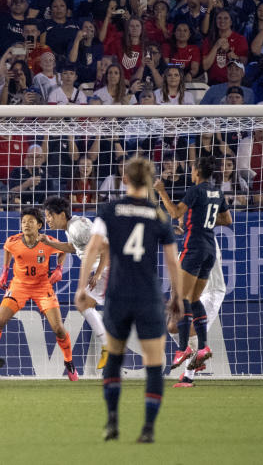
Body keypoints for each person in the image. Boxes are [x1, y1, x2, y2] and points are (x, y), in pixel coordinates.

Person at [79, 156, 180, 443]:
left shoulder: (109, 211)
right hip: (148, 296)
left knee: (114, 356)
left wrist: (80, 289)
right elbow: (172, 261)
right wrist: (176, 297)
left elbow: (93, 249)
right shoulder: (159, 216)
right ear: (149, 181)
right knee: (153, 362)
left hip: (118, 294)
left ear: (125, 180)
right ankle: (148, 428)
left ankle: (112, 420)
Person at [0, 207, 77, 381]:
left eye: (30, 221)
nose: (26, 225)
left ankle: (69, 362)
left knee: (58, 329)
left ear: (39, 225)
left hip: (42, 287)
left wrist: (59, 268)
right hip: (19, 286)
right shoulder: (13, 241)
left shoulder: (48, 241)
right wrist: (4, 272)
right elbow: (7, 249)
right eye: (23, 222)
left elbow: (65, 249)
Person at [153, 155, 231, 373]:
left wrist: (161, 191)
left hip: (194, 247)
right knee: (194, 299)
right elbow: (227, 220)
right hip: (209, 248)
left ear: (197, 171)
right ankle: (203, 348)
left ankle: (183, 349)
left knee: (183, 299)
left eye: (192, 169)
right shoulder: (217, 192)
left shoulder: (195, 190)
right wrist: (196, 220)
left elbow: (175, 212)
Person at [41, 196, 109, 370]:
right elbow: (74, 247)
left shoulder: (78, 228)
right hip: (105, 268)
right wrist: (49, 243)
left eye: (49, 215)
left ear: (61, 214)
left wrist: (99, 273)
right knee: (87, 304)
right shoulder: (72, 227)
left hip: (107, 268)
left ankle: (108, 345)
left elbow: (106, 246)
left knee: (84, 303)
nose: (47, 219)